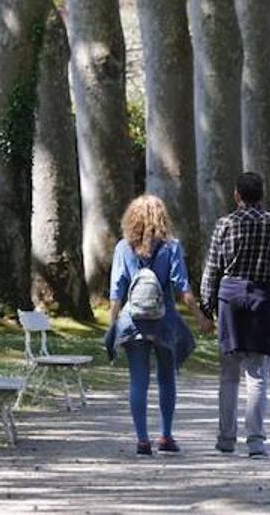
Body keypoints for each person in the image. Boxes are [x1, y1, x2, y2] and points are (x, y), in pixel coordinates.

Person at [105, 194, 213, 456]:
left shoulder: (122, 248)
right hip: (165, 322)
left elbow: (116, 292)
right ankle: (165, 436)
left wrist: (113, 324)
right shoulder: (172, 247)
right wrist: (200, 316)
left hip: (133, 323)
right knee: (167, 379)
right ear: (162, 218)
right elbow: (182, 288)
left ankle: (142, 440)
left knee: (138, 380)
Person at [200, 171, 270, 458]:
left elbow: (213, 268)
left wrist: (207, 305)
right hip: (263, 298)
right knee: (257, 374)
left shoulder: (225, 224)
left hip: (230, 297)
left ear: (237, 195)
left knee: (228, 374)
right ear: (262, 195)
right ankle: (255, 441)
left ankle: (226, 438)